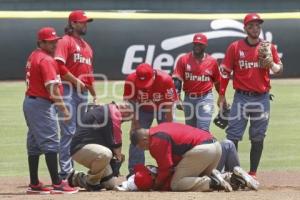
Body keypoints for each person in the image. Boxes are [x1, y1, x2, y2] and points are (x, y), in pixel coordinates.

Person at [217, 13, 283, 178]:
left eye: (258, 25)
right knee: (233, 135)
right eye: (251, 26)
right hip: (241, 97)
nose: (255, 28)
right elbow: (225, 72)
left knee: (258, 136)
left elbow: (279, 69)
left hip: (261, 97)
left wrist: (272, 64)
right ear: (245, 28)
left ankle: (252, 173)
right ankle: (233, 171)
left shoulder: (268, 47)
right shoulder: (235, 47)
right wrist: (222, 95)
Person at [23, 27, 78, 194]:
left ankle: (34, 183)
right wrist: (64, 110)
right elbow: (53, 89)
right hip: (41, 104)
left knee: (34, 144)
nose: (54, 43)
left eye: (55, 40)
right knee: (51, 142)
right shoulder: (46, 60)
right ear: (41, 42)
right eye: (50, 41)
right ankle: (57, 183)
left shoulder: (35, 55)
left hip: (31, 103)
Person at [54, 10, 97, 179]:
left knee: (78, 132)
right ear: (72, 24)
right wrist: (74, 81)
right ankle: (65, 173)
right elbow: (59, 66)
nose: (85, 24)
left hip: (82, 93)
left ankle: (70, 172)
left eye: (86, 22)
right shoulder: (65, 41)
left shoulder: (87, 47)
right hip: (67, 90)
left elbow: (89, 74)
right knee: (68, 131)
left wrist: (94, 93)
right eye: (82, 22)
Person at [130, 122, 233, 192]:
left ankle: (213, 181)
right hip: (216, 147)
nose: (145, 149)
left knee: (176, 184)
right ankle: (232, 178)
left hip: (203, 150)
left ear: (144, 139)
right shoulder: (161, 127)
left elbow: (166, 168)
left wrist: (157, 185)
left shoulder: (156, 139)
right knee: (193, 177)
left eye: (143, 147)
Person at [123, 63, 178, 175]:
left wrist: (169, 127)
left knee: (169, 137)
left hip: (163, 107)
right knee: (136, 137)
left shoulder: (165, 79)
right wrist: (135, 123)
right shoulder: (131, 79)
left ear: (153, 75)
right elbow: (130, 103)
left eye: (146, 82)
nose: (144, 86)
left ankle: (171, 169)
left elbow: (169, 106)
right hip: (142, 108)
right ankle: (134, 171)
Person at [67, 102, 133, 191]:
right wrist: (119, 157)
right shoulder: (114, 113)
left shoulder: (109, 110)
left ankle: (76, 178)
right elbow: (117, 141)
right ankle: (91, 183)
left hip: (91, 149)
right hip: (80, 148)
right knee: (106, 154)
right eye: (127, 118)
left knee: (110, 184)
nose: (124, 120)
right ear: (126, 112)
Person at [172, 33, 221, 131]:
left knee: (203, 129)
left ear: (205, 45)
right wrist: (177, 98)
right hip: (189, 98)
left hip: (205, 98)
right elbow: (177, 80)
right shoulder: (183, 60)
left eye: (200, 44)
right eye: (195, 44)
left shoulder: (212, 62)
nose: (197, 46)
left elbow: (217, 82)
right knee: (191, 131)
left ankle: (204, 145)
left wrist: (222, 97)